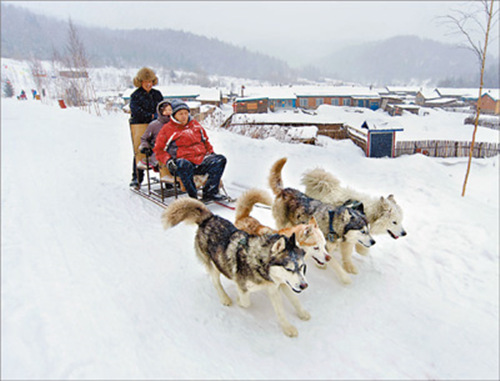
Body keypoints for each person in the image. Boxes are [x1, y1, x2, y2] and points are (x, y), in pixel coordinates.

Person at [154, 99, 227, 201]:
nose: (184, 116)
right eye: (180, 114)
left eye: (186, 113)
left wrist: (211, 153)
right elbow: (159, 150)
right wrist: (168, 161)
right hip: (180, 164)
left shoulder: (196, 125)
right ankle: (193, 197)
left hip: (199, 161)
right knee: (184, 164)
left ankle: (210, 192)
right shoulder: (167, 129)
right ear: (174, 115)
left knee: (220, 159)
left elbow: (205, 142)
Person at [129, 67, 164, 188]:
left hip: (157, 125)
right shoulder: (135, 96)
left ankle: (165, 175)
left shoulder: (157, 94)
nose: (148, 84)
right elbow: (136, 111)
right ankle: (137, 178)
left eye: (150, 81)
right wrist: (151, 116)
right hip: (140, 124)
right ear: (140, 82)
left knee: (161, 148)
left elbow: (162, 107)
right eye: (145, 82)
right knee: (140, 150)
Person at [138, 100, 172, 169]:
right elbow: (144, 138)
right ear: (160, 111)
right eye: (166, 110)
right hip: (159, 151)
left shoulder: (176, 124)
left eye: (170, 110)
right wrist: (145, 147)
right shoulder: (154, 125)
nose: (168, 112)